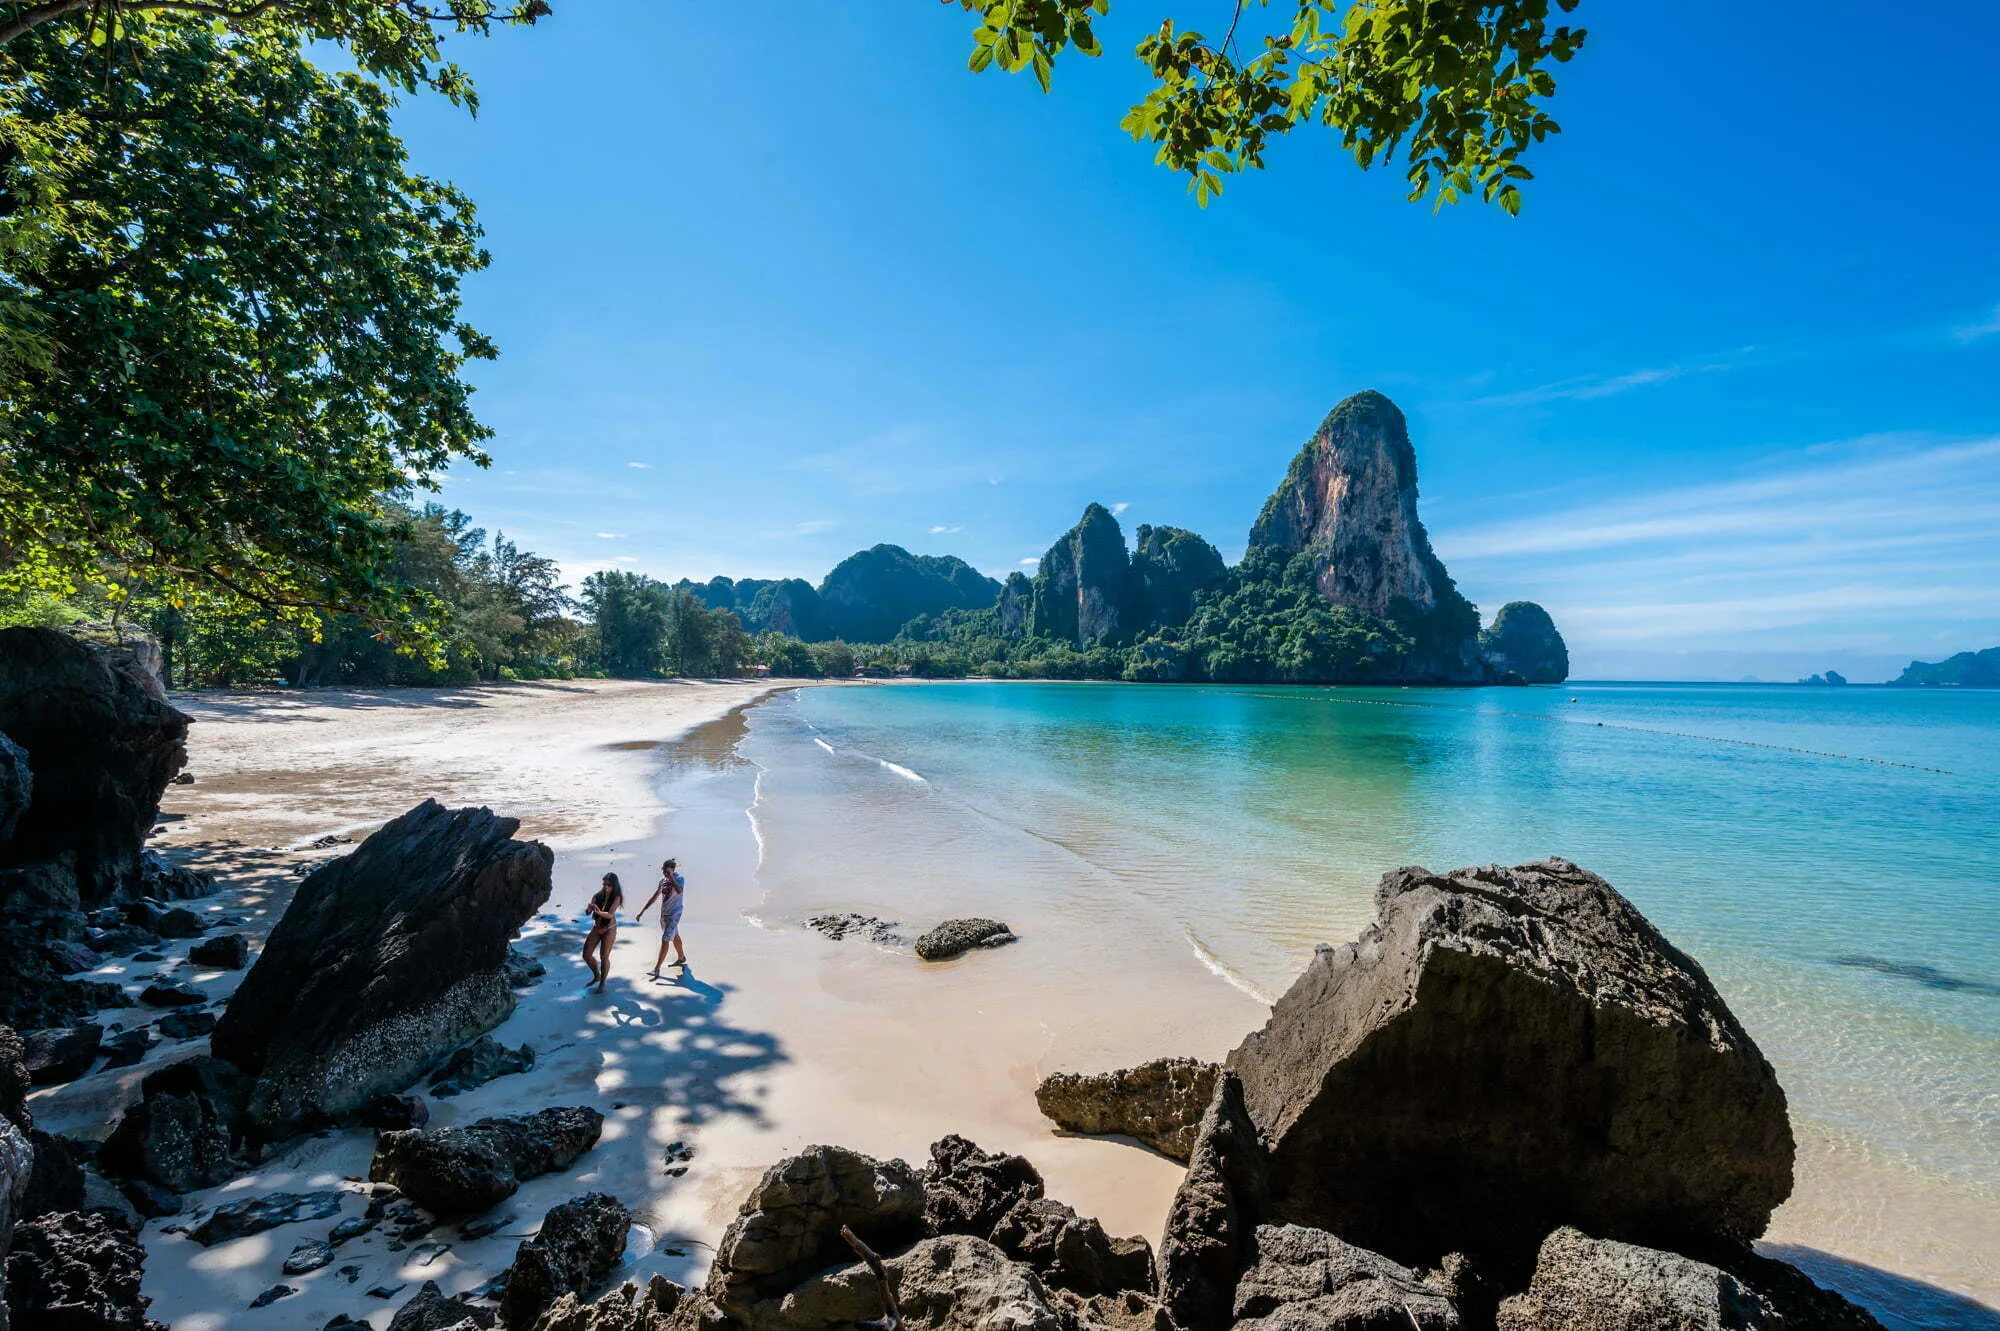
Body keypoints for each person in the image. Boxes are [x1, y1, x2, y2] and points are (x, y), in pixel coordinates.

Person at [635, 857, 686, 978]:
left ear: (673, 870)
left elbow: (679, 891)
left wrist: (671, 877)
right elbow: (655, 896)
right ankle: (681, 957)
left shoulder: (680, 879)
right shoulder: (662, 880)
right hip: (664, 914)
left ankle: (656, 969)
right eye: (663, 871)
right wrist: (642, 911)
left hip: (675, 913)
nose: (664, 873)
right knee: (674, 936)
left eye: (667, 871)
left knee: (665, 939)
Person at [582, 871, 623, 994]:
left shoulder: (617, 897)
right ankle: (597, 975)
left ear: (614, 885)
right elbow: (588, 913)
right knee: (586, 955)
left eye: (609, 885)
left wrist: (598, 911)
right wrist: (589, 909)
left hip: (609, 929)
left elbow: (610, 914)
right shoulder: (597, 895)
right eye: (604, 884)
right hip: (597, 928)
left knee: (604, 956)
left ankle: (602, 983)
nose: (606, 887)